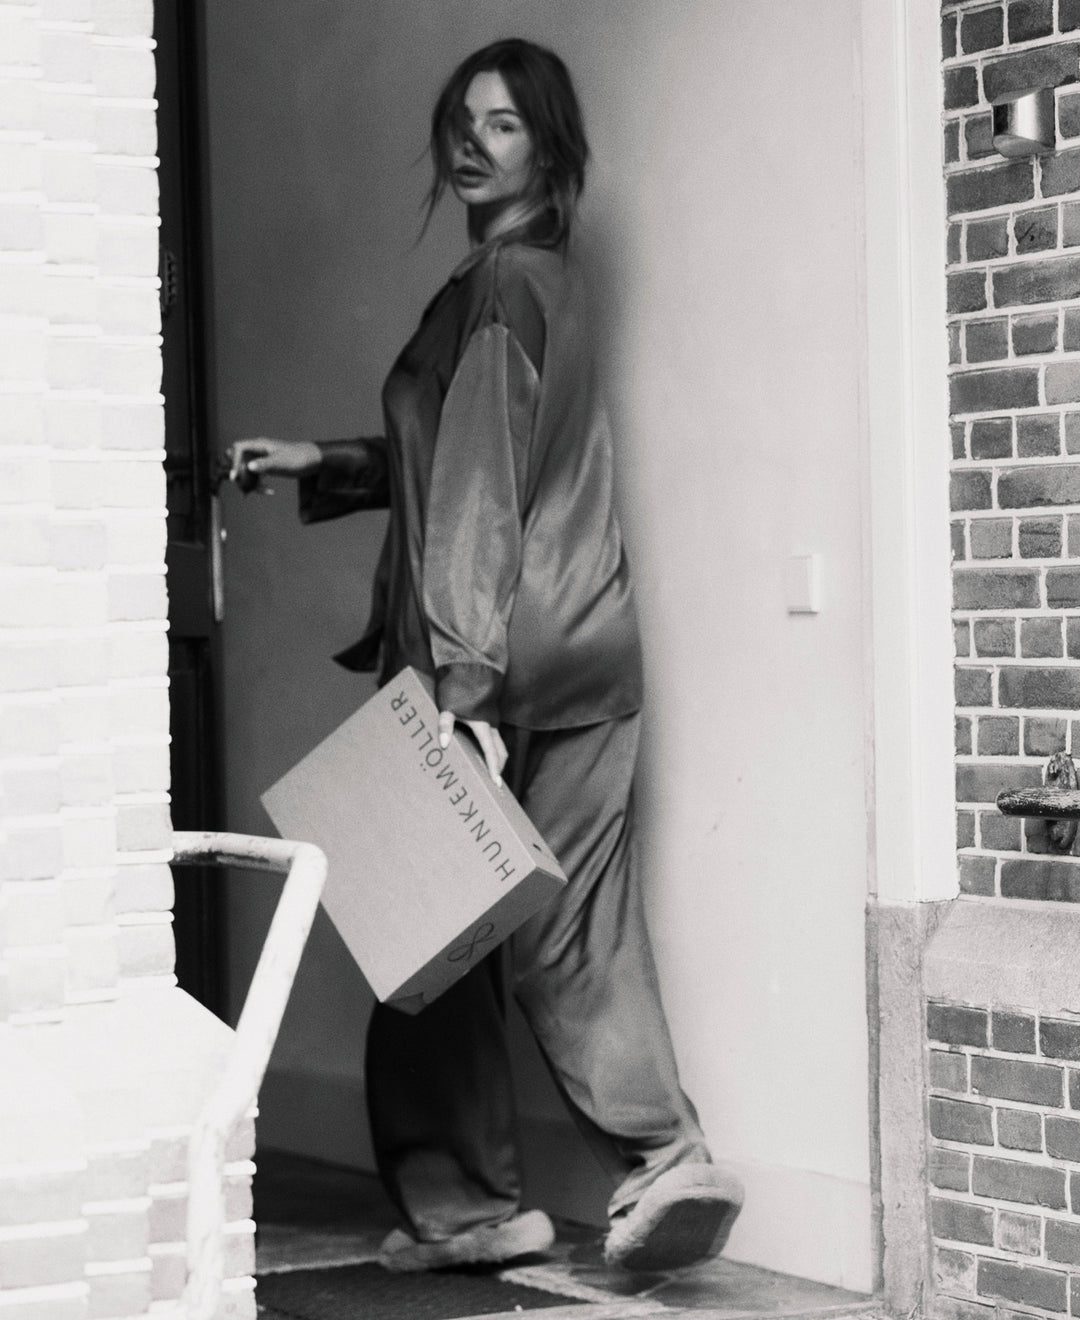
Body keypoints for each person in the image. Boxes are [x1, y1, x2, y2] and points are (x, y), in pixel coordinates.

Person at [227, 37, 743, 1275]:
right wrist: (326, 463)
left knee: (438, 948)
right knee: (549, 937)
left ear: (548, 151)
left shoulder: (503, 283)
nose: (471, 141)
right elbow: (457, 459)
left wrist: (459, 689)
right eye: (462, 120)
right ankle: (631, 1167)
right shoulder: (539, 278)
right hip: (586, 653)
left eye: (502, 124)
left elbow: (473, 491)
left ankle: (499, 1200)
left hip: (495, 659)